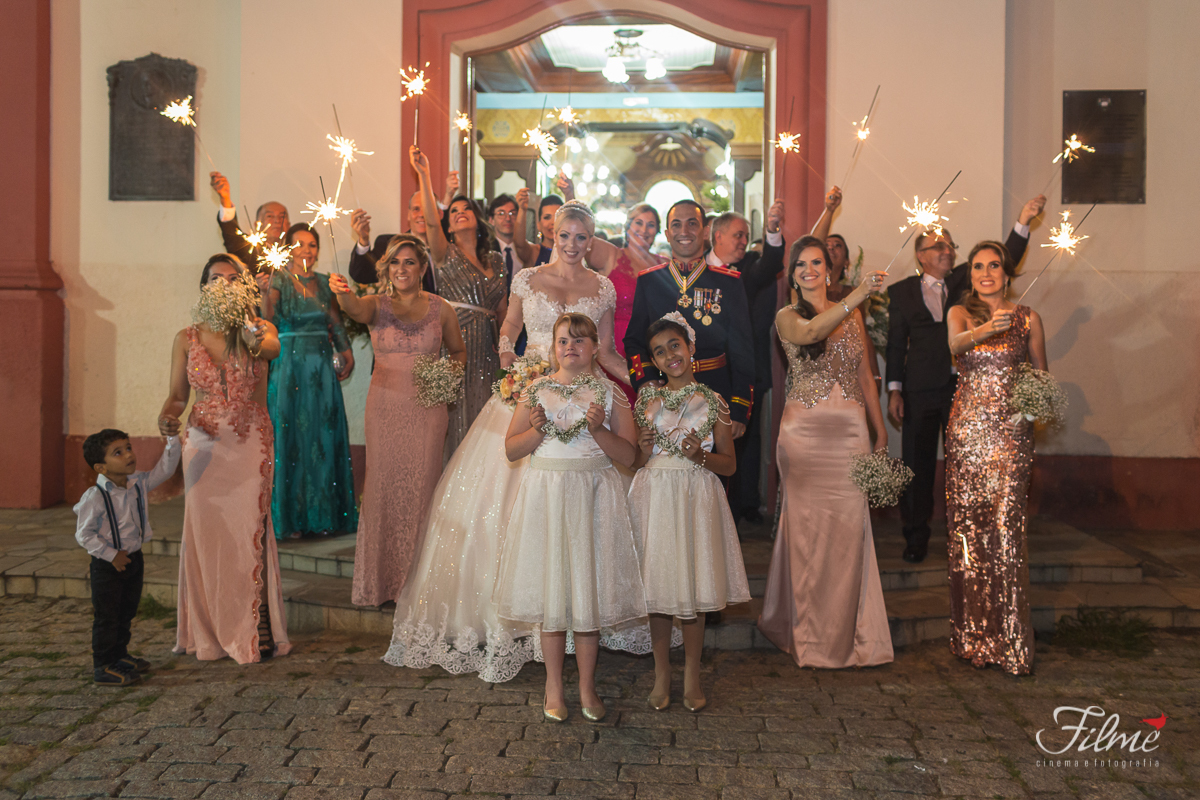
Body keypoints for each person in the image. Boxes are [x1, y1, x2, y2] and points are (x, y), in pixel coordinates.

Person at [382, 200, 622, 683]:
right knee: (497, 503)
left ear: (591, 242)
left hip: (579, 400)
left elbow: (609, 349)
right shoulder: (527, 279)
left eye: (581, 238)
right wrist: (508, 352)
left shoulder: (602, 288)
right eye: (564, 236)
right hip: (529, 392)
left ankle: (569, 620)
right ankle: (508, 619)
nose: (572, 245)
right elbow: (509, 326)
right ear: (552, 235)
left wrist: (632, 387)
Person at [495, 313, 642, 722]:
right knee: (554, 594)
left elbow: (630, 456)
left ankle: (587, 685)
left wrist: (599, 431)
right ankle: (554, 684)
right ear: (552, 347)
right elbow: (511, 449)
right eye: (563, 341)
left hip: (594, 496)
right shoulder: (536, 390)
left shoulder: (610, 393)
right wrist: (538, 431)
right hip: (549, 497)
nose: (571, 347)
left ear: (595, 347)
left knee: (587, 594)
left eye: (580, 340)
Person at [885, 193, 1045, 563]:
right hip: (920, 389)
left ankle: (968, 539)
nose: (947, 250)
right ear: (921, 255)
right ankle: (916, 537)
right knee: (916, 465)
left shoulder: (966, 280)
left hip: (964, 389)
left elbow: (1005, 255)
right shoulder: (901, 292)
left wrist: (1023, 220)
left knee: (965, 468)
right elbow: (896, 345)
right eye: (937, 245)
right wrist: (894, 390)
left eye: (950, 245)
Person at [757, 236, 893, 668]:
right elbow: (813, 332)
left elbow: (866, 376)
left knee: (850, 532)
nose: (810, 270)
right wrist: (857, 295)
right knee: (808, 533)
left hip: (850, 433)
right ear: (793, 276)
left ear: (829, 270)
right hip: (805, 437)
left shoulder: (854, 318)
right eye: (801, 265)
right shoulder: (787, 316)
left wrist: (879, 428)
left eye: (817, 262)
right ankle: (809, 638)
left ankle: (851, 635)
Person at [162, 254, 291, 663]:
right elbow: (178, 395)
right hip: (202, 443)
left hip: (249, 439)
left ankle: (257, 621)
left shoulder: (258, 329)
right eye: (216, 278)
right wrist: (167, 415)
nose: (224, 284)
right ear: (204, 286)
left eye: (233, 279)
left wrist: (252, 329)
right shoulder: (185, 337)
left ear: (245, 287)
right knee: (207, 535)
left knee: (248, 529)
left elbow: (270, 350)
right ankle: (209, 628)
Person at [330, 235, 467, 607]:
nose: (402, 269)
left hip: (426, 409)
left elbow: (458, 352)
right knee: (382, 488)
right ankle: (381, 583)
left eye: (409, 262)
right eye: (395, 263)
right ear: (387, 269)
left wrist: (444, 378)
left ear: (423, 269)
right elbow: (353, 309)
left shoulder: (442, 309)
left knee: (422, 489)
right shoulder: (376, 305)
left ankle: (418, 586)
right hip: (385, 407)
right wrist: (342, 292)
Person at [629, 315, 749, 712]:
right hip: (657, 496)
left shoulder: (713, 402)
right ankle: (662, 673)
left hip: (695, 496)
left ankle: (693, 676)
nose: (669, 355)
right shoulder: (647, 400)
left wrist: (702, 455)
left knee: (694, 591)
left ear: (691, 347)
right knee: (660, 592)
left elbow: (729, 465)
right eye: (660, 352)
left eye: (675, 345)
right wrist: (643, 448)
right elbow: (635, 459)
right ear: (654, 361)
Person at [944, 240, 1047, 676]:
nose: (986, 273)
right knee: (969, 534)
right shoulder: (960, 314)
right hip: (968, 435)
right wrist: (986, 330)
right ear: (970, 275)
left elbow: (1041, 376)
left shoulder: (1028, 318)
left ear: (1007, 273)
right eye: (978, 266)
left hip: (1012, 437)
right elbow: (955, 346)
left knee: (1006, 532)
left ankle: (1010, 642)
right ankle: (972, 636)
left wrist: (1031, 408)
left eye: (995, 265)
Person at [258, 224, 358, 539]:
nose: (307, 249)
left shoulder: (326, 282)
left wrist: (345, 349)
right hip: (289, 367)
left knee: (324, 435)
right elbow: (267, 320)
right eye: (299, 244)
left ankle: (326, 516)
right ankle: (292, 519)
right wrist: (262, 293)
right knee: (290, 436)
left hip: (322, 368)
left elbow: (334, 319)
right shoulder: (278, 281)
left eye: (312, 244)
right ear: (288, 249)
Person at [624, 200, 754, 440]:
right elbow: (634, 340)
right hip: (663, 397)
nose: (684, 232)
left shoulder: (730, 283)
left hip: (716, 394)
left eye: (692, 224)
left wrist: (738, 409)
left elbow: (743, 352)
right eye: (676, 225)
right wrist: (648, 382)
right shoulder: (649, 281)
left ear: (705, 231)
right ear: (667, 233)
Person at [410, 146, 507, 452]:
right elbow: (429, 220)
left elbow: (503, 312)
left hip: (489, 351)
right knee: (456, 421)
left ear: (478, 220)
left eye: (466, 208)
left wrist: (505, 352)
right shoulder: (443, 254)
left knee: (486, 419)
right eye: (453, 211)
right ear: (448, 226)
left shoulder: (497, 259)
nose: (460, 212)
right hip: (456, 348)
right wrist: (424, 175)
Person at [706, 200, 792, 523]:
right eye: (738, 235)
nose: (743, 241)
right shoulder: (694, 269)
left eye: (746, 236)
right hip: (702, 376)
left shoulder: (749, 269)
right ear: (718, 237)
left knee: (741, 444)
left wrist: (772, 229)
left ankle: (738, 512)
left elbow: (771, 264)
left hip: (741, 374)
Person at [75, 427, 180, 685]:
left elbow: (165, 469)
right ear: (101, 467)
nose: (128, 455)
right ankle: (103, 665)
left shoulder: (139, 483)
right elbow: (84, 534)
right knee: (107, 616)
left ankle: (120, 655)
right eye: (118, 453)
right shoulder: (95, 497)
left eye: (128, 448)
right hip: (107, 566)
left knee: (126, 611)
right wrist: (111, 555)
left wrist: (172, 439)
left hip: (134, 559)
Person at [584, 202, 665, 403]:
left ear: (658, 231)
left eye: (651, 225)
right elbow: (579, 234)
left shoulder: (665, 265)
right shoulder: (612, 255)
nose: (644, 230)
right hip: (613, 345)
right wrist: (570, 195)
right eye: (638, 223)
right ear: (627, 226)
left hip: (650, 348)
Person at [347, 188, 443, 294]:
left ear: (439, 214)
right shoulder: (389, 244)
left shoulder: (448, 248)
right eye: (416, 209)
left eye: (428, 209)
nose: (422, 214)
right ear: (408, 214)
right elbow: (360, 275)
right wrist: (363, 240)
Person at [209, 171, 288, 274]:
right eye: (270, 216)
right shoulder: (248, 250)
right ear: (257, 225)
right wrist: (225, 199)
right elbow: (231, 233)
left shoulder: (299, 252)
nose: (277, 221)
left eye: (282, 217)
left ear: (289, 224)